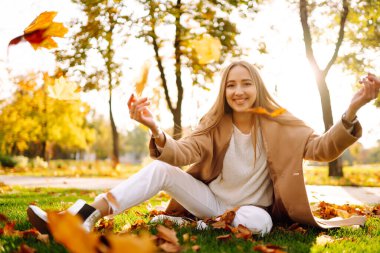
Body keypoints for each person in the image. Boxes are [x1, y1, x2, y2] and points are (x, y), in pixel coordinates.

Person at [27, 61, 380, 236]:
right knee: (161, 169)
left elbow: (321, 149)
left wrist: (352, 109)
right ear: (224, 91)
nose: (238, 91)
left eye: (245, 84)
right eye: (231, 85)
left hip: (253, 210)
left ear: (257, 88)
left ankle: (197, 226)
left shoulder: (282, 124)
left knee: (255, 223)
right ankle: (86, 215)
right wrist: (153, 127)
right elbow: (181, 154)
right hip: (211, 203)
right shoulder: (214, 125)